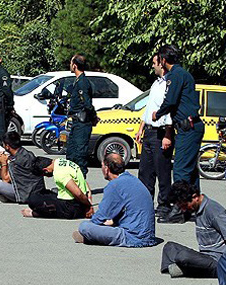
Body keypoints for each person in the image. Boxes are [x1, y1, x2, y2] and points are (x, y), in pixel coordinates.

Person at [153, 45, 204, 224]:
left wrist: (157, 113)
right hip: (190, 126)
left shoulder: (175, 76)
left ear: (164, 60)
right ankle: (195, 208)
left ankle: (180, 210)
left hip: (187, 127)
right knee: (191, 172)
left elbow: (171, 100)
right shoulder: (184, 74)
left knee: (181, 169)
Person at [74, 153, 156, 247]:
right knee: (107, 224)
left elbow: (100, 217)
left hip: (132, 237)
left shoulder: (115, 185)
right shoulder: (132, 179)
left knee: (84, 226)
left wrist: (91, 229)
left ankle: (91, 238)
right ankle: (97, 237)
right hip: (149, 237)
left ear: (106, 168)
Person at [160, 181, 226, 278]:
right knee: (169, 247)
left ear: (195, 197)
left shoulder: (214, 211)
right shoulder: (197, 209)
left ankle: (187, 269)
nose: (184, 210)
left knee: (183, 256)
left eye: (185, 206)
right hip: (204, 257)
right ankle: (185, 269)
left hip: (219, 260)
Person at [136, 54, 174, 218]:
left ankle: (164, 206)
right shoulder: (155, 84)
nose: (152, 66)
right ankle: (145, 203)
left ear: (162, 64)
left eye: (154, 63)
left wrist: (168, 134)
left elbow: (170, 110)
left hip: (161, 133)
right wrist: (141, 128)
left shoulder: (169, 84)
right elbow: (149, 108)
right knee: (145, 171)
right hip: (149, 132)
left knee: (163, 171)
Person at [21, 157, 93, 220]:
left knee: (33, 199)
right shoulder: (61, 161)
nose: (47, 176)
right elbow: (83, 181)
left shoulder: (60, 174)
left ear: (45, 170)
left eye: (44, 175)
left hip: (71, 207)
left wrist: (88, 206)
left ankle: (37, 213)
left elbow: (78, 193)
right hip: (79, 200)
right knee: (45, 193)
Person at [0, 131, 45, 204]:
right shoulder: (21, 153)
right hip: (25, 187)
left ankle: (0, 197)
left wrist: (3, 163)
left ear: (7, 146)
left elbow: (5, 179)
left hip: (26, 193)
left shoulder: (18, 159)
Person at [66, 54, 95, 177]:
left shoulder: (83, 82)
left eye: (71, 63)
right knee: (71, 155)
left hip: (82, 123)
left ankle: (81, 188)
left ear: (75, 65)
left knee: (79, 155)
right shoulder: (78, 81)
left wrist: (93, 116)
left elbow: (87, 103)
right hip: (77, 122)